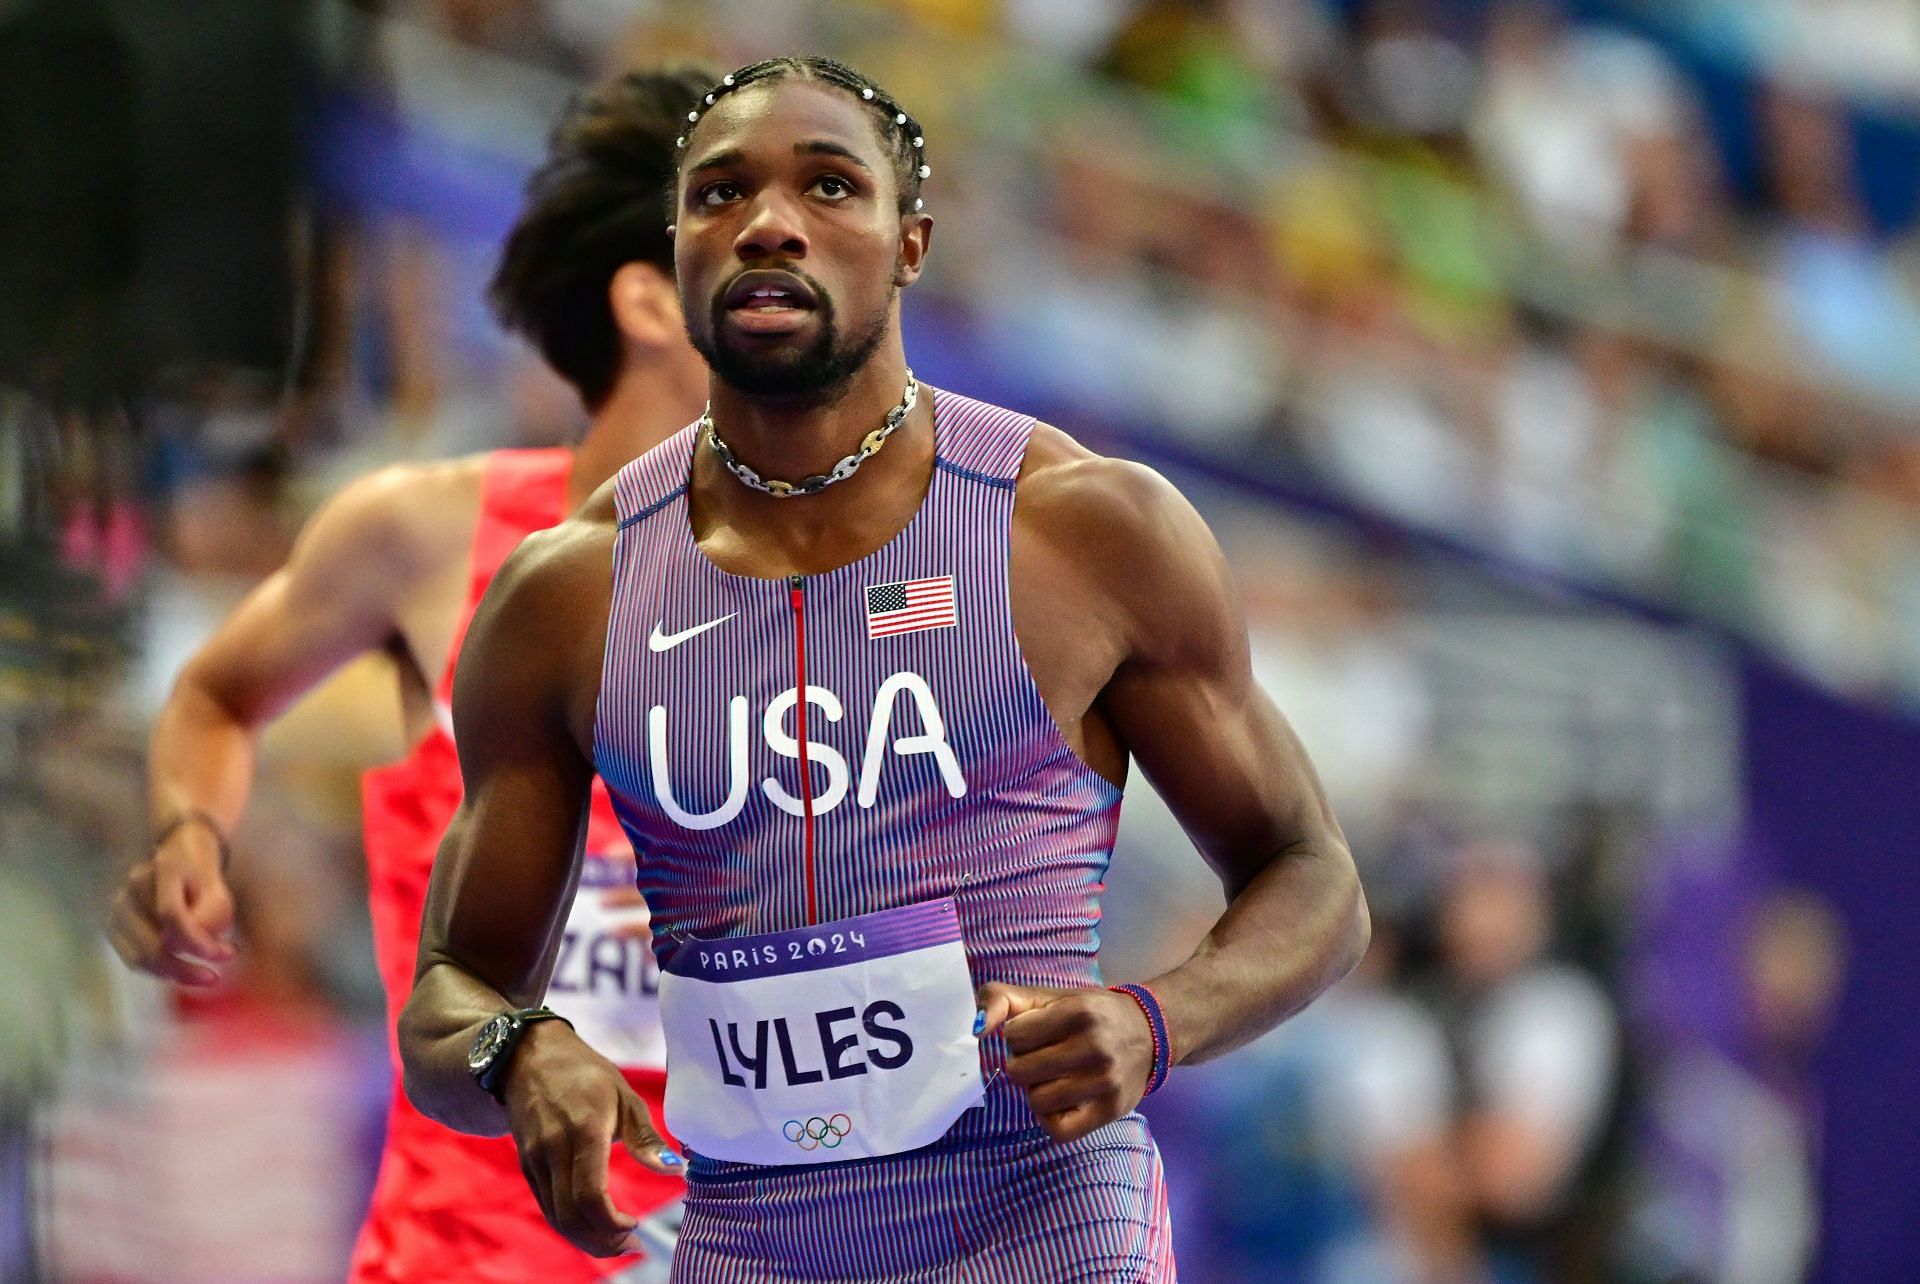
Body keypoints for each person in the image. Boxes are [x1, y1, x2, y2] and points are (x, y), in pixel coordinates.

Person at [399, 56, 1370, 1281]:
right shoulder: (568, 596)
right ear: (679, 248)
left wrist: (1155, 1019)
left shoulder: (1077, 530)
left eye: (828, 187)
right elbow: (451, 992)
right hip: (749, 1246)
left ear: (910, 244)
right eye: (719, 195)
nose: (768, 224)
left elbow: (1315, 879)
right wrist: (518, 1050)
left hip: (1043, 1229)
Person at [106, 66, 715, 1282]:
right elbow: (218, 693)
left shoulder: (853, 572)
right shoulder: (428, 536)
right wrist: (188, 834)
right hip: (470, 1253)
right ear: (650, 300)